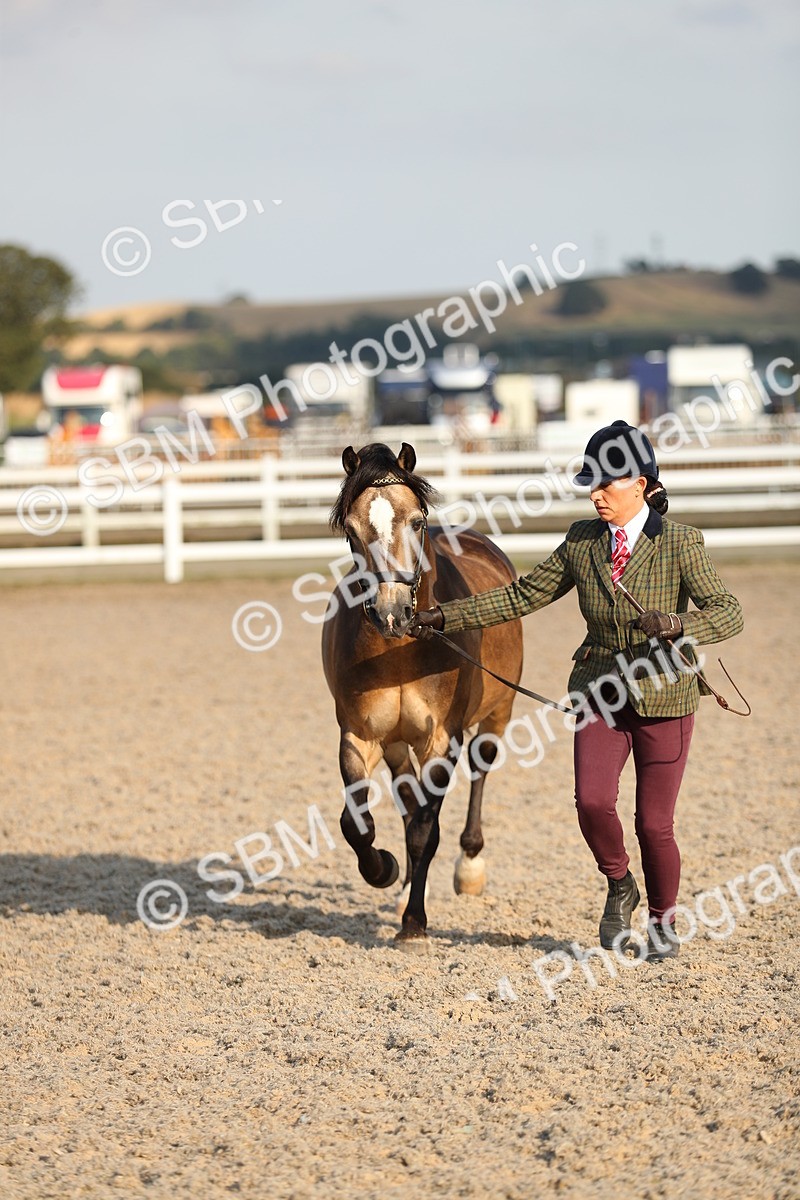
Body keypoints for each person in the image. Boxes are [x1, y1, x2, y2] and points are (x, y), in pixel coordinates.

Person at [408, 420, 743, 962]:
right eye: (590, 482)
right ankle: (619, 884)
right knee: (591, 802)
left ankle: (663, 921)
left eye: (605, 484)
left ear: (640, 481)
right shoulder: (581, 541)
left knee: (654, 824)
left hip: (666, 698)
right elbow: (519, 597)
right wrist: (443, 616)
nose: (594, 494)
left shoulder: (682, 543)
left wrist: (680, 626)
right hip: (599, 693)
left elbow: (729, 612)